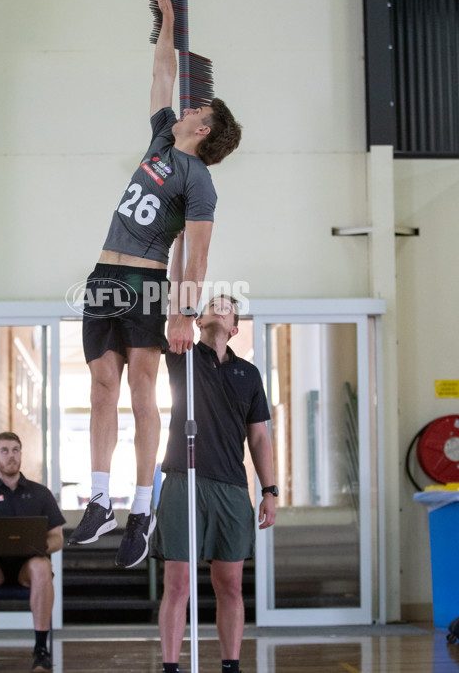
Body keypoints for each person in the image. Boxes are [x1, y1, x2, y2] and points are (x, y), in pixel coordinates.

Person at [68, 0, 242, 571]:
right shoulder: (160, 138)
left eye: (198, 111)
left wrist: (183, 312)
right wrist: (168, 19)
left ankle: (142, 508)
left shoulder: (200, 183)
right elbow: (161, 73)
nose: (188, 107)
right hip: (103, 276)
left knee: (143, 390)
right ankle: (98, 500)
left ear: (205, 129)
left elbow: (196, 259)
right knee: (99, 389)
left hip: (145, 283)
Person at [154, 249, 277, 673]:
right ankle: (171, 667)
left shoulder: (249, 374)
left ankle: (230, 666)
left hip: (229, 486)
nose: (216, 308)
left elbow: (259, 436)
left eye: (225, 307)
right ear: (199, 318)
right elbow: (175, 299)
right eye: (210, 304)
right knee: (179, 583)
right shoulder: (180, 354)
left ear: (236, 327)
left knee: (229, 585)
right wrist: (181, 251)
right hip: (182, 481)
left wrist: (270, 490)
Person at [0, 432, 65, 673]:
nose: (11, 455)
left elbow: (58, 537)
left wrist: (38, 545)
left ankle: (40, 651)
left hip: (28, 566)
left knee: (41, 565)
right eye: (5, 451)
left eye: (16, 450)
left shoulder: (41, 494)